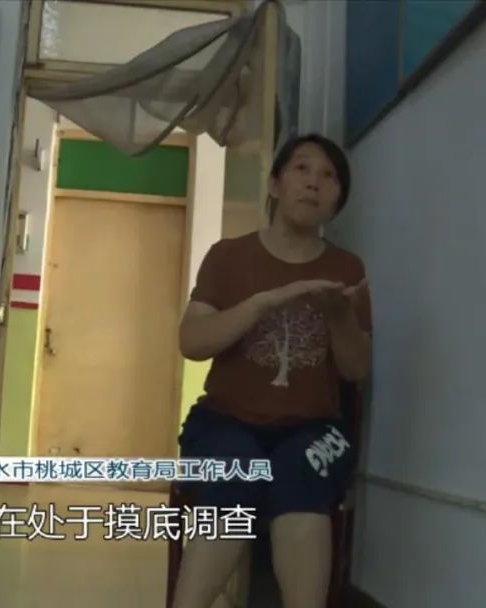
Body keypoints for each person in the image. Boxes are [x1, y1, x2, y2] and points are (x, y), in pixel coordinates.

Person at [172, 133, 372, 608]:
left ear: (337, 201)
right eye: (302, 169)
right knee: (234, 474)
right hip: (224, 421)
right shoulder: (228, 257)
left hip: (315, 429)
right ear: (275, 184)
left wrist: (339, 317)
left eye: (329, 177)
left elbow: (356, 369)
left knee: (300, 479)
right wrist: (261, 304)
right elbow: (192, 342)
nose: (314, 183)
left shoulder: (346, 269)